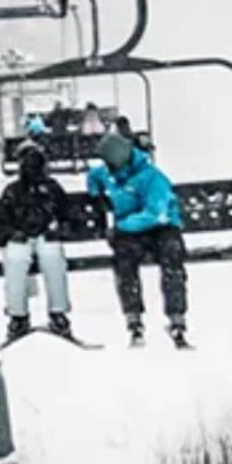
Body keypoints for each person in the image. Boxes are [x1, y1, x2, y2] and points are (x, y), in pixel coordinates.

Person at [86, 129, 189, 348]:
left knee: (171, 255)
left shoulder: (153, 178)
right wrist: (96, 195)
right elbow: (94, 176)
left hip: (162, 226)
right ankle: (133, 316)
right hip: (131, 231)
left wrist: (122, 226)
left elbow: (156, 213)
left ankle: (176, 315)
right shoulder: (109, 173)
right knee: (124, 258)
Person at [0, 137, 76, 342]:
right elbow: (1, 218)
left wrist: (59, 228)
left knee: (52, 258)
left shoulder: (52, 188)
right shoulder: (12, 191)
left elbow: (66, 213)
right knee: (15, 259)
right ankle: (18, 315)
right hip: (21, 236)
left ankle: (58, 312)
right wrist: (12, 232)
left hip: (46, 234)